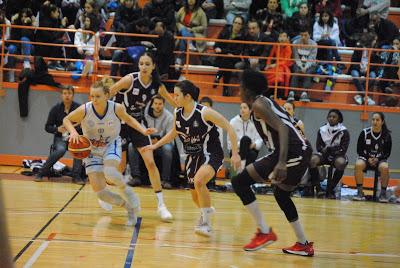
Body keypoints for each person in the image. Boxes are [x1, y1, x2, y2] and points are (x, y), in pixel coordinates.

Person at [231, 69, 313, 255]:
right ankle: (303, 244)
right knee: (281, 195)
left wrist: (282, 162)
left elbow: (283, 128)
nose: (238, 90)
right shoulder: (262, 102)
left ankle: (265, 232)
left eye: (240, 86)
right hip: (298, 150)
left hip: (293, 152)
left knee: (239, 182)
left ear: (247, 89)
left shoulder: (259, 104)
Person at [144, 80, 241, 237]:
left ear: (187, 96)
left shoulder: (204, 112)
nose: (174, 98)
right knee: (195, 195)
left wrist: (235, 153)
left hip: (211, 153)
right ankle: (206, 210)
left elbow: (229, 127)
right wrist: (156, 146)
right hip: (193, 155)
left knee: (199, 181)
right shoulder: (178, 113)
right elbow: (174, 132)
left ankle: (206, 224)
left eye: (177, 95)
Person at [63, 78, 153, 226]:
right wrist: (73, 132)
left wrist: (143, 130)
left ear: (106, 95)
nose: (94, 99)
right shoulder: (85, 109)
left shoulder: (116, 108)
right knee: (101, 194)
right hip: (92, 150)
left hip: (111, 144)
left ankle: (130, 194)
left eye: (97, 96)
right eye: (92, 96)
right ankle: (129, 208)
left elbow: (129, 120)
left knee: (110, 172)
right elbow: (67, 119)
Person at [110, 52, 176, 222]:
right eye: (141, 64)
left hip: (138, 123)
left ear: (153, 66)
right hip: (120, 123)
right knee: (121, 165)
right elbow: (109, 92)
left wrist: (188, 109)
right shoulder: (129, 80)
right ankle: (107, 193)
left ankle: (161, 205)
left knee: (150, 162)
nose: (144, 67)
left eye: (147, 64)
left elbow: (173, 101)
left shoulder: (156, 85)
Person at [34, 86, 85, 184]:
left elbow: (84, 124)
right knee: (60, 150)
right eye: (65, 93)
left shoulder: (79, 108)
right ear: (62, 95)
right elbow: (47, 127)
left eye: (69, 93)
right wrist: (57, 129)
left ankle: (76, 176)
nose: (67, 96)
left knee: (78, 149)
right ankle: (41, 173)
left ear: (73, 95)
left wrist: (74, 129)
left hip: (75, 137)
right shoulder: (55, 109)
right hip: (60, 137)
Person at [309, 109, 350, 198]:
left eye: (334, 117)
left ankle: (330, 189)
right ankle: (318, 188)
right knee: (312, 160)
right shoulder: (322, 129)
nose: (331, 118)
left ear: (339, 119)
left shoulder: (344, 131)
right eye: (330, 117)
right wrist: (323, 150)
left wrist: (330, 149)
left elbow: (343, 149)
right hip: (324, 155)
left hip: (337, 155)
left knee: (341, 163)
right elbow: (318, 147)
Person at [353, 112, 392, 203]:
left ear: (382, 122)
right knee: (358, 164)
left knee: (385, 167)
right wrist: (368, 158)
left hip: (380, 160)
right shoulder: (365, 133)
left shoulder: (386, 135)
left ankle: (382, 194)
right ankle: (359, 192)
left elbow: (387, 153)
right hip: (366, 159)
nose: (375, 122)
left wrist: (378, 159)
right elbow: (359, 150)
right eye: (373, 119)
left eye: (377, 120)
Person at [228, 102, 263, 171]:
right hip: (236, 151)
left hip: (251, 150)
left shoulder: (255, 123)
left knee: (251, 153)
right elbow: (230, 143)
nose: (242, 110)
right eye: (241, 108)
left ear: (250, 110)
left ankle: (242, 171)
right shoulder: (233, 122)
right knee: (245, 139)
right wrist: (242, 145)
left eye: (244, 108)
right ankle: (243, 170)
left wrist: (254, 145)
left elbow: (259, 140)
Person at [288, 27, 317, 102]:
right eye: (302, 35)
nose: (303, 37)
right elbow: (296, 57)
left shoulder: (314, 44)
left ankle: (304, 94)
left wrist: (305, 67)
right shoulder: (295, 43)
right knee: (296, 71)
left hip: (310, 64)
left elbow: (311, 58)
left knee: (308, 73)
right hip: (298, 63)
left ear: (309, 35)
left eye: (305, 35)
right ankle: (291, 93)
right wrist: (301, 66)